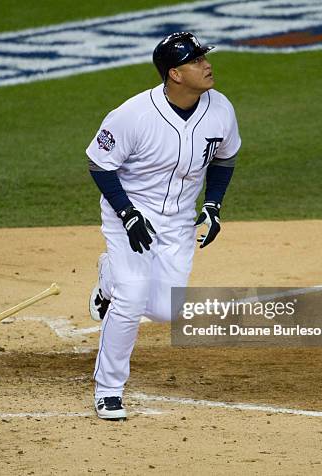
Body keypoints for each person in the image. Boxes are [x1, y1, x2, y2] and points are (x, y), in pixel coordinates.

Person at [86, 32, 241, 420]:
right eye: (196, 60)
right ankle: (109, 390)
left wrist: (214, 204)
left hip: (178, 221)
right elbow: (99, 163)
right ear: (174, 73)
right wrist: (126, 212)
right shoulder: (132, 115)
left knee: (165, 311)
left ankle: (107, 279)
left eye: (205, 57)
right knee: (131, 297)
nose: (207, 65)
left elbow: (225, 158)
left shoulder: (220, 108)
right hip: (132, 214)